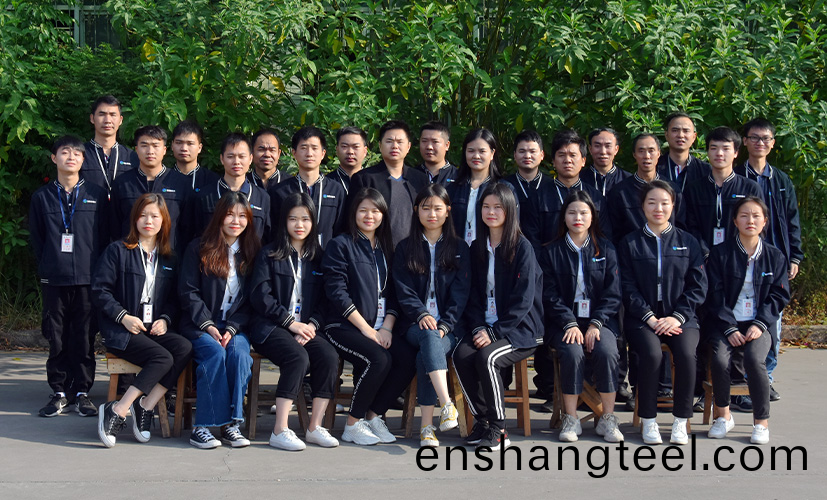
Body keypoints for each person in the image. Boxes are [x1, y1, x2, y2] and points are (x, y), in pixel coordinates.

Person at [93, 193, 193, 447]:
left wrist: (165, 319)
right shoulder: (117, 250)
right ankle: (118, 409)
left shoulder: (170, 258)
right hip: (121, 330)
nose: (148, 221)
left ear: (164, 221)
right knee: (162, 358)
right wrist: (123, 317)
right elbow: (100, 291)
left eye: (155, 216)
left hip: (152, 329)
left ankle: (145, 405)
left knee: (184, 348)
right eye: (143, 215)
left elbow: (174, 299)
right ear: (134, 219)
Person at [452, 182, 544, 451]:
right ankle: (483, 420)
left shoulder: (522, 248)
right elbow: (471, 296)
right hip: (486, 326)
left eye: (498, 207)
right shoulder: (476, 248)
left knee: (487, 357)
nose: (491, 212)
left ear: (510, 210)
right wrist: (478, 327)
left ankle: (499, 428)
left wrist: (494, 332)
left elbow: (523, 300)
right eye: (486, 206)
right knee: (460, 355)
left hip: (520, 329)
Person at [322, 187, 417, 445]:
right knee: (379, 359)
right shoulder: (340, 245)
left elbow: (395, 294)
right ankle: (353, 424)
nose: (369, 216)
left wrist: (386, 328)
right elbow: (337, 292)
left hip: (380, 327)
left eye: (375, 211)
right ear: (353, 213)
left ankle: (374, 416)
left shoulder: (387, 249)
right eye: (363, 210)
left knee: (408, 358)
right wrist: (367, 329)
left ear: (383, 215)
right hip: (343, 326)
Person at [248, 193, 341, 450]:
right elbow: (261, 296)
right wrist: (290, 323)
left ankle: (314, 427)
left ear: (314, 222)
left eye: (305, 219)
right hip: (271, 327)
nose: (299, 225)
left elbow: (326, 300)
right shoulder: (269, 253)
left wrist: (310, 325)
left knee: (328, 356)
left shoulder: (319, 257)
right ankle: (280, 429)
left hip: (306, 328)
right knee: (297, 358)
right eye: (293, 219)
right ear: (284, 221)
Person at [617, 180, 707, 445]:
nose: (658, 208)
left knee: (686, 355)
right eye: (652, 202)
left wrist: (677, 317)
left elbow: (698, 286)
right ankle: (649, 420)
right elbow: (626, 286)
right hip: (642, 319)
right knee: (651, 354)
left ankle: (680, 421)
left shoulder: (688, 242)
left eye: (665, 203)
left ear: (673, 206)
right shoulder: (630, 243)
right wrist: (650, 317)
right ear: (642, 206)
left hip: (681, 317)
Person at [29, 135, 109, 417]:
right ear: (54, 158)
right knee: (57, 337)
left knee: (84, 337)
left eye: (77, 153)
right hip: (55, 279)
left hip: (88, 279)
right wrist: (48, 265)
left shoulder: (97, 195)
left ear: (83, 159)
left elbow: (104, 236)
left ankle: (83, 392)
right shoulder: (41, 197)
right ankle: (60, 392)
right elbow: (37, 239)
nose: (71, 157)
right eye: (65, 152)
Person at [539, 190, 623, 443]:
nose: (578, 218)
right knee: (572, 352)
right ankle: (571, 417)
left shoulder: (606, 248)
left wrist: (596, 322)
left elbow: (613, 293)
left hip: (600, 321)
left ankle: (608, 417)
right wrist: (569, 322)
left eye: (584, 213)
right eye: (572, 212)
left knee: (607, 351)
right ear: (564, 217)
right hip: (563, 323)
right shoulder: (550, 252)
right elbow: (548, 294)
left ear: (592, 217)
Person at [705, 196, 790, 444]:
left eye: (756, 216)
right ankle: (723, 415)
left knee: (755, 360)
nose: (750, 220)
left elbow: (779, 295)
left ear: (764, 221)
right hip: (725, 323)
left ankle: (761, 422)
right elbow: (714, 294)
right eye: (744, 216)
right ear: (734, 221)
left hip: (758, 324)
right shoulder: (720, 254)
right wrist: (729, 327)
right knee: (720, 360)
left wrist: (760, 324)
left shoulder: (775, 256)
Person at [178, 192, 259, 449]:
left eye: (242, 216)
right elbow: (188, 291)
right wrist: (208, 325)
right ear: (219, 216)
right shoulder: (199, 248)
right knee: (214, 353)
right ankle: (201, 427)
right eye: (230, 214)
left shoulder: (252, 253)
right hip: (199, 324)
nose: (236, 221)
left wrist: (233, 328)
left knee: (240, 356)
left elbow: (252, 299)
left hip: (235, 326)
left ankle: (231, 424)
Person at [393, 184, 471, 447]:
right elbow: (403, 290)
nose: (432, 214)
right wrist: (420, 314)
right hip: (414, 324)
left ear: (448, 211)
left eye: (438, 208)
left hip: (450, 327)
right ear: (417, 211)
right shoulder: (405, 248)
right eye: (426, 208)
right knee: (427, 335)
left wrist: (446, 324)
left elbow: (461, 292)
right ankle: (447, 404)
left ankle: (427, 427)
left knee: (425, 353)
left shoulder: (460, 248)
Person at [735, 118, 802, 400]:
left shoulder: (781, 180)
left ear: (773, 143)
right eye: (754, 137)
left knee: (771, 321)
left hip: (775, 261)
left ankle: (766, 377)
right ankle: (740, 383)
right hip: (743, 258)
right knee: (740, 321)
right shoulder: (736, 176)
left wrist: (794, 256)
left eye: (765, 138)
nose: (760, 143)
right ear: (745, 142)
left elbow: (792, 221)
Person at [109, 126, 193, 252]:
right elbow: (114, 226)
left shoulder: (181, 183)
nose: (150, 151)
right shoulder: (122, 183)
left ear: (164, 150)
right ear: (136, 150)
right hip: (130, 255)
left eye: (155, 145)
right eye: (144, 145)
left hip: (169, 255)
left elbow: (188, 227)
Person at [685, 126, 763, 259]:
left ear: (735, 153)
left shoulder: (750, 188)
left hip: (739, 257)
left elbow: (759, 225)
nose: (719, 153)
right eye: (714, 148)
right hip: (702, 259)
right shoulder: (694, 189)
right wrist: (705, 253)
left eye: (726, 148)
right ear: (708, 152)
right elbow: (690, 226)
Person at [526, 129, 611, 249]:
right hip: (548, 259)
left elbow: (604, 236)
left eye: (573, 155)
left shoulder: (595, 197)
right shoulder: (538, 197)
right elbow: (532, 239)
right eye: (561, 155)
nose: (567, 160)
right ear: (553, 161)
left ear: (583, 161)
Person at [349, 120, 429, 247]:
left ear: (408, 146)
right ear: (380, 145)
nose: (395, 146)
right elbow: (351, 219)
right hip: (376, 250)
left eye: (400, 142)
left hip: (414, 250)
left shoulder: (420, 179)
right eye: (389, 141)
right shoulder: (364, 178)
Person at [187, 133, 271, 243]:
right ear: (222, 159)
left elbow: (267, 237)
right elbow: (194, 234)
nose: (236, 162)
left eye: (242, 156)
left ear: (250, 159)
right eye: (230, 156)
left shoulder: (262, 197)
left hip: (251, 254)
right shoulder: (204, 196)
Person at [270, 126, 346, 248]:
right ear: (294, 153)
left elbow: (341, 229)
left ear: (323, 153)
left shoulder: (336, 190)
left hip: (327, 255)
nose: (309, 154)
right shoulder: (280, 191)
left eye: (314, 148)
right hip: (290, 255)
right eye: (304, 148)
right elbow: (275, 231)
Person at [447, 128, 513, 247]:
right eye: (471, 151)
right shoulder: (453, 187)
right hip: (456, 252)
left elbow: (512, 226)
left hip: (490, 252)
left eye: (482, 151)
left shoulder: (504, 188)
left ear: (492, 154)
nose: (476, 156)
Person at [80, 95, 138, 192]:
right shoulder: (79, 154)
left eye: (113, 115)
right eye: (102, 114)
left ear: (120, 120)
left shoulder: (132, 157)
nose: (107, 120)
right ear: (92, 118)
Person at [656, 112, 711, 191]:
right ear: (666, 135)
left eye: (686, 131)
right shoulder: (655, 167)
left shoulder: (705, 170)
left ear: (694, 137)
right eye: (675, 130)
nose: (680, 135)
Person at [171, 120, 219, 193]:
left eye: (190, 144)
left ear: (199, 148)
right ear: (172, 146)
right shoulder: (162, 179)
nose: (184, 148)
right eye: (179, 143)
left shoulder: (212, 180)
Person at [582, 128, 630, 196]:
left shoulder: (628, 180)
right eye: (597, 146)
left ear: (616, 149)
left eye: (608, 146)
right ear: (590, 149)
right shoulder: (579, 179)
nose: (603, 152)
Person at [328, 126, 368, 195]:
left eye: (356, 147)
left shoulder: (372, 181)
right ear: (337, 150)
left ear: (365, 151)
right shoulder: (326, 182)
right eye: (344, 146)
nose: (350, 152)